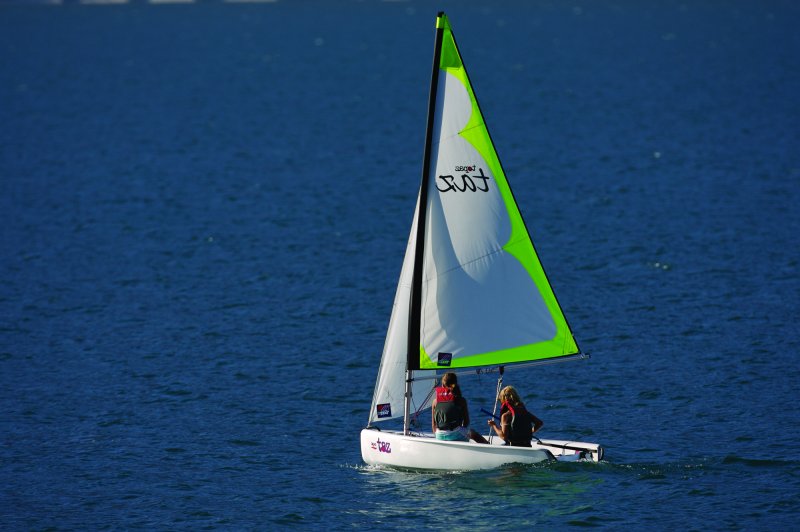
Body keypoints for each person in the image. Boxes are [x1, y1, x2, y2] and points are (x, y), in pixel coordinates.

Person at [431, 373, 488, 444]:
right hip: (456, 434)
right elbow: (466, 422)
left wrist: (438, 436)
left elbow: (433, 425)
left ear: (442, 385)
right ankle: (489, 447)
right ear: (455, 384)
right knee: (473, 433)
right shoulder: (461, 400)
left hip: (439, 435)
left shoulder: (435, 401)